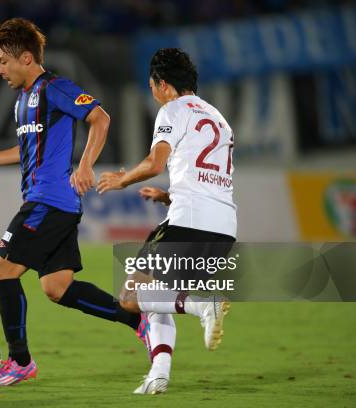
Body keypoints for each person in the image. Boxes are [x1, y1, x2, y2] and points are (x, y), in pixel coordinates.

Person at [0, 17, 150, 387]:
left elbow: (100, 118)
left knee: (0, 272)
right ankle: (137, 320)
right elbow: (27, 148)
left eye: (3, 61)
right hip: (53, 205)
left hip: (49, 202)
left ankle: (19, 361)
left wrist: (85, 165)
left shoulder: (55, 88)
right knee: (56, 288)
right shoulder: (22, 101)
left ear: (27, 58)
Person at [97, 48, 237, 394]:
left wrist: (122, 179)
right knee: (154, 293)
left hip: (188, 221)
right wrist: (167, 196)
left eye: (152, 86)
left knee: (131, 296)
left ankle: (203, 303)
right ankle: (158, 375)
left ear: (163, 84)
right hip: (223, 228)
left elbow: (154, 163)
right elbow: (210, 178)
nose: (153, 93)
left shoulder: (172, 110)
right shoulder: (219, 118)